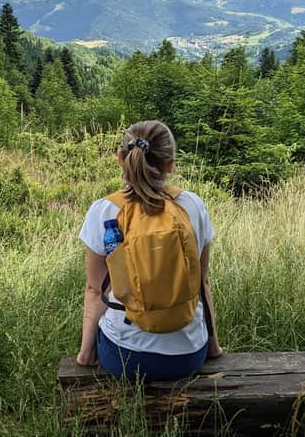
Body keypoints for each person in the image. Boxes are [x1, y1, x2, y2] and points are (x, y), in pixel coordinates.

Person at [76, 120, 223, 382]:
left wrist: (86, 354)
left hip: (125, 356)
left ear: (121, 158)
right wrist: (212, 347)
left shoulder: (104, 210)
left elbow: (95, 291)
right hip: (188, 355)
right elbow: (202, 282)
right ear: (170, 164)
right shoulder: (193, 206)